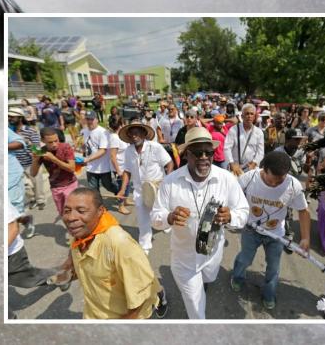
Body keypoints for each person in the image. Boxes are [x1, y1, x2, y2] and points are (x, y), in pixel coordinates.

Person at [150, 127, 249, 320]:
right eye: (198, 152)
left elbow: (243, 212)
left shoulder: (227, 179)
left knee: (209, 278)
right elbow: (155, 217)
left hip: (213, 254)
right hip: (184, 259)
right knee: (196, 310)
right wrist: (169, 217)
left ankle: (204, 282)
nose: (204, 157)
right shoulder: (170, 182)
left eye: (209, 152)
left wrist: (230, 217)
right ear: (186, 154)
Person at [61, 188, 168, 319]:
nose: (71, 217)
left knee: (144, 283)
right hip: (93, 315)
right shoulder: (81, 234)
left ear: (100, 211)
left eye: (81, 211)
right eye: (67, 211)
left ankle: (159, 294)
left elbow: (139, 301)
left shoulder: (120, 244)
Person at [230, 151, 311, 310]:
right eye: (270, 180)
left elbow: (303, 211)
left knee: (273, 268)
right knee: (245, 259)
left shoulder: (293, 185)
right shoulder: (249, 178)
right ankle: (237, 277)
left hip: (276, 235)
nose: (274, 184)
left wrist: (306, 238)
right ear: (263, 169)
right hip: (250, 230)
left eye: (279, 181)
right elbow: (232, 197)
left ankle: (269, 294)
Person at [116, 121, 173, 253]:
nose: (134, 137)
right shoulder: (129, 151)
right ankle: (145, 244)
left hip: (157, 187)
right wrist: (122, 189)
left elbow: (169, 163)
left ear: (144, 133)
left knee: (159, 213)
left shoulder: (155, 147)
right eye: (131, 135)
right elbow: (127, 171)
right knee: (143, 218)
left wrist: (167, 181)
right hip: (139, 191)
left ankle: (166, 223)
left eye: (137, 133)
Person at [30, 127, 79, 220]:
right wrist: (35, 160)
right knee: (63, 213)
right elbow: (33, 173)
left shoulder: (65, 147)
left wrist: (54, 159)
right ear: (43, 140)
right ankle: (71, 228)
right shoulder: (42, 151)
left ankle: (78, 231)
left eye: (56, 140)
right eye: (50, 142)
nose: (54, 144)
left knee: (72, 211)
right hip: (55, 186)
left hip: (70, 184)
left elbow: (72, 168)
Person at [81, 114, 121, 207]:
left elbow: (103, 150)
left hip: (103, 167)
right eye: (88, 119)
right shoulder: (84, 131)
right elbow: (86, 146)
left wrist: (88, 159)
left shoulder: (103, 132)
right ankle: (100, 208)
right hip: (90, 168)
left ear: (96, 120)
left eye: (92, 119)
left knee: (108, 185)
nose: (89, 121)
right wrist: (82, 150)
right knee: (93, 189)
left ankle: (119, 192)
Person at [223, 103, 265, 175]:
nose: (249, 116)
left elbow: (260, 152)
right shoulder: (234, 130)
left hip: (252, 168)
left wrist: (254, 163)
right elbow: (227, 148)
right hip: (236, 168)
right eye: (247, 114)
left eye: (252, 114)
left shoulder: (259, 132)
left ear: (254, 117)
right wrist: (232, 163)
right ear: (242, 116)